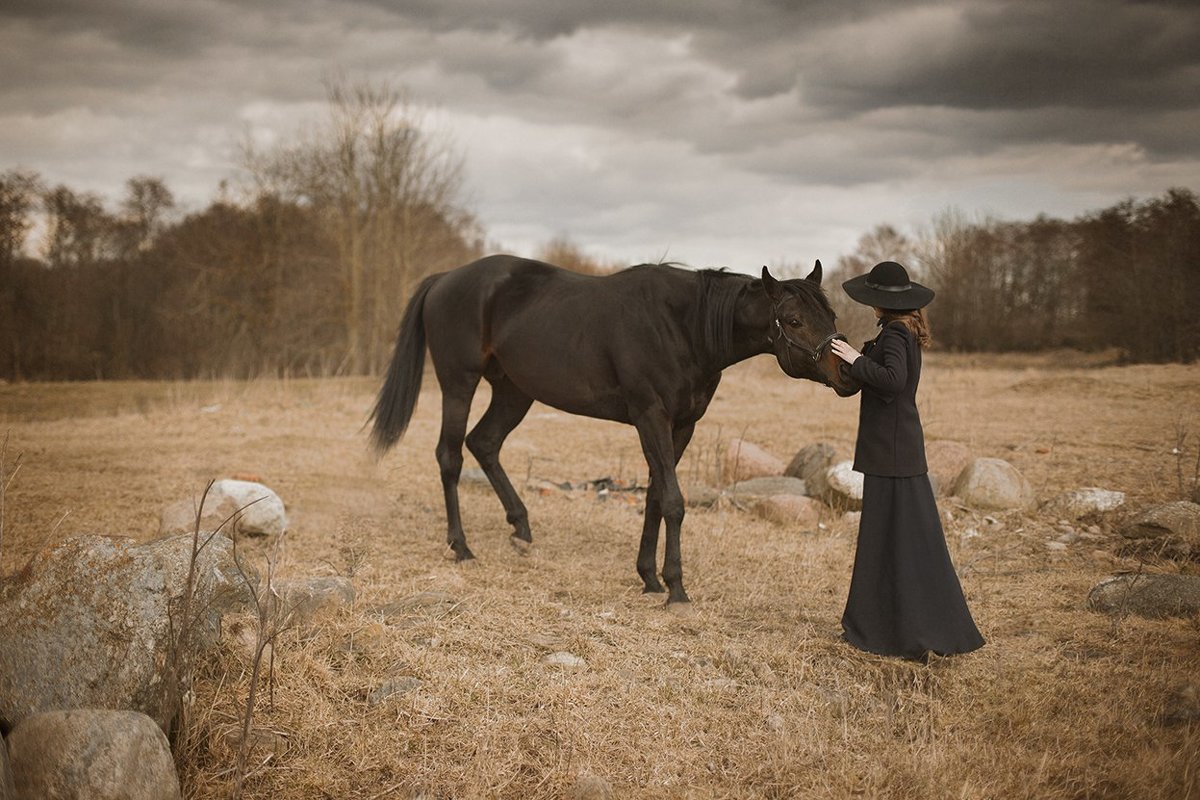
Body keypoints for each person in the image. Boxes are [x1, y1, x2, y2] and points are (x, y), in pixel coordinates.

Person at [829, 260, 984, 661]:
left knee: (891, 543)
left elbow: (893, 382)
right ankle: (889, 627)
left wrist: (851, 356)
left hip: (892, 455)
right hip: (897, 452)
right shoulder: (903, 332)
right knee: (904, 543)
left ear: (881, 302)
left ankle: (887, 630)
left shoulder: (896, 334)